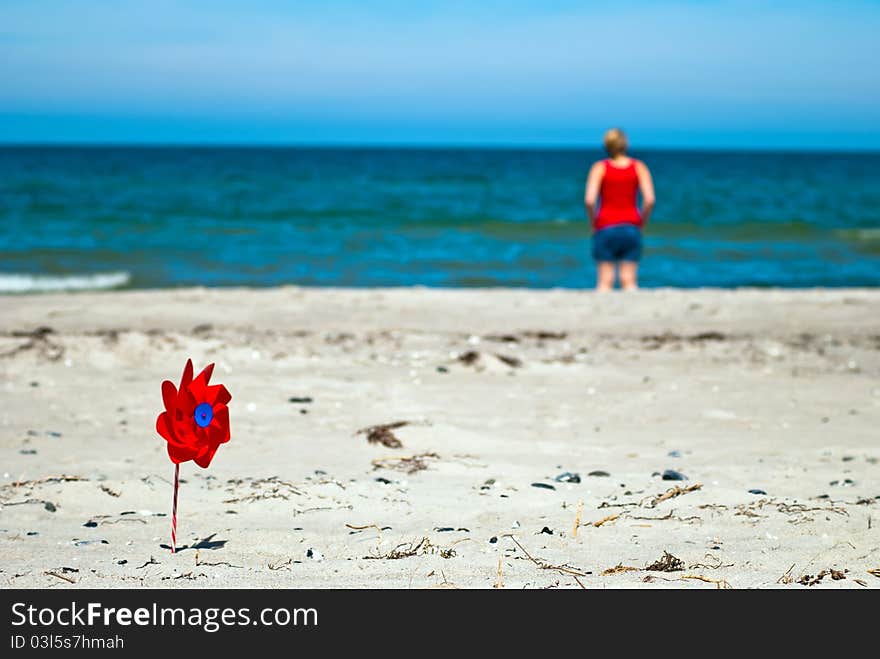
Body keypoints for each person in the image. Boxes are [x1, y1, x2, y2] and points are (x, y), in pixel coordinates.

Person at [584, 128, 655, 291]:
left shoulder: (599, 168)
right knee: (629, 281)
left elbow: (589, 200)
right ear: (625, 144)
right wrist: (642, 222)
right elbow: (650, 200)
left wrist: (593, 222)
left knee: (604, 282)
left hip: (605, 226)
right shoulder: (639, 167)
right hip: (631, 225)